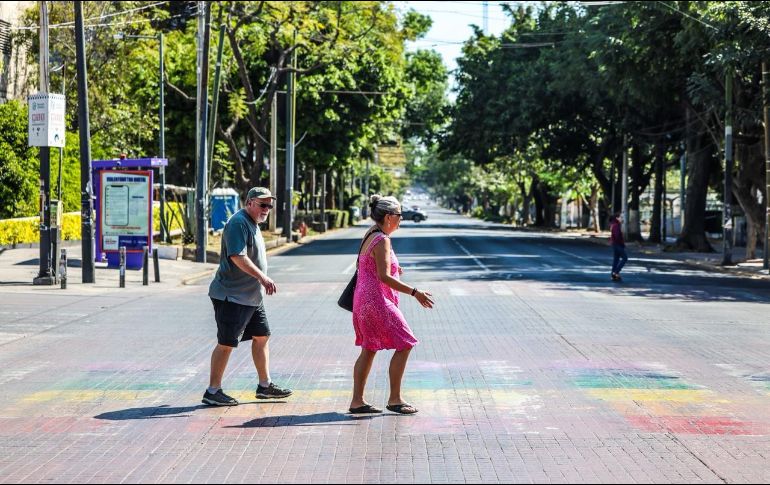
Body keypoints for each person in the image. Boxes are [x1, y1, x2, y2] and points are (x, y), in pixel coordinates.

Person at [202, 187, 292, 406]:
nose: (267, 210)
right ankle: (212, 391)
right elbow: (237, 256)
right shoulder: (238, 223)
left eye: (269, 206)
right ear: (250, 202)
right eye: (263, 205)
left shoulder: (253, 223)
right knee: (226, 343)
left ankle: (264, 386)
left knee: (262, 336)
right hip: (232, 296)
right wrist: (263, 277)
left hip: (251, 297)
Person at [348, 195, 435, 415]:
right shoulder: (382, 239)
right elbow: (384, 276)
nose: (401, 220)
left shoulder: (372, 233)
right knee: (405, 342)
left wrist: (396, 269)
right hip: (376, 301)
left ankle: (357, 401)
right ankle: (395, 399)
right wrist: (415, 292)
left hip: (363, 300)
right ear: (388, 217)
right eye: (399, 216)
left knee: (369, 349)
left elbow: (373, 266)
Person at [609, 212, 628, 281]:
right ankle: (616, 272)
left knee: (616, 259)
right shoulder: (616, 225)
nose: (622, 219)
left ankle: (613, 274)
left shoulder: (614, 224)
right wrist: (622, 244)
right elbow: (617, 236)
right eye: (621, 217)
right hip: (617, 244)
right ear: (617, 218)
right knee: (625, 258)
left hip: (614, 244)